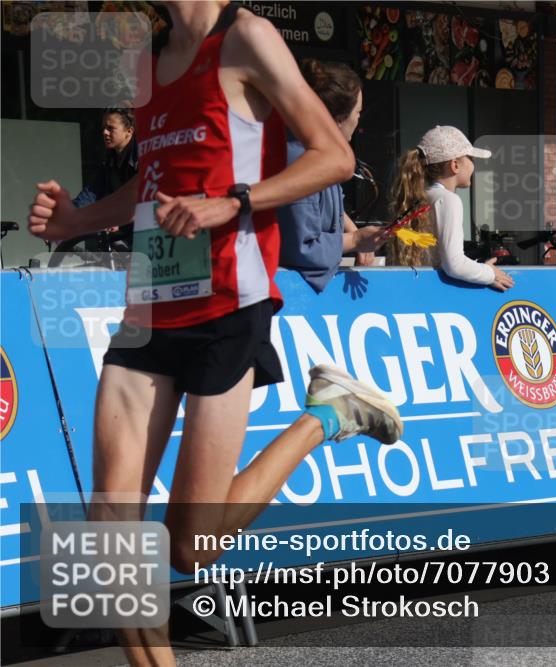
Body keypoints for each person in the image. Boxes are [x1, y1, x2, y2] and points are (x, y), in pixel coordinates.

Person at [27, 3, 401, 664]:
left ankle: (323, 418)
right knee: (110, 531)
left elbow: (335, 157)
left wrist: (234, 200)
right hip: (149, 309)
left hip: (231, 304)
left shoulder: (246, 38)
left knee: (189, 544)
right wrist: (73, 222)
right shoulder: (142, 64)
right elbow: (152, 183)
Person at [278, 59, 385, 293]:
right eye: (357, 112)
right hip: (290, 299)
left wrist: (349, 226)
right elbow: (301, 247)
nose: (358, 119)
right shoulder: (302, 161)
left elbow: (317, 205)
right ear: (337, 119)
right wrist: (355, 240)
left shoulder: (311, 153)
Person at [387, 125, 514, 291]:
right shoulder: (449, 200)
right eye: (470, 158)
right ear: (455, 165)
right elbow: (454, 264)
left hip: (415, 289)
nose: (474, 165)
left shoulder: (418, 197)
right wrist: (489, 273)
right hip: (438, 293)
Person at [72, 107, 139, 250]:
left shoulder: (144, 155)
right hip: (122, 237)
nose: (104, 132)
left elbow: (147, 199)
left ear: (129, 131)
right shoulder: (109, 160)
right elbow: (90, 194)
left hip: (144, 234)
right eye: (103, 128)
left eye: (110, 128)